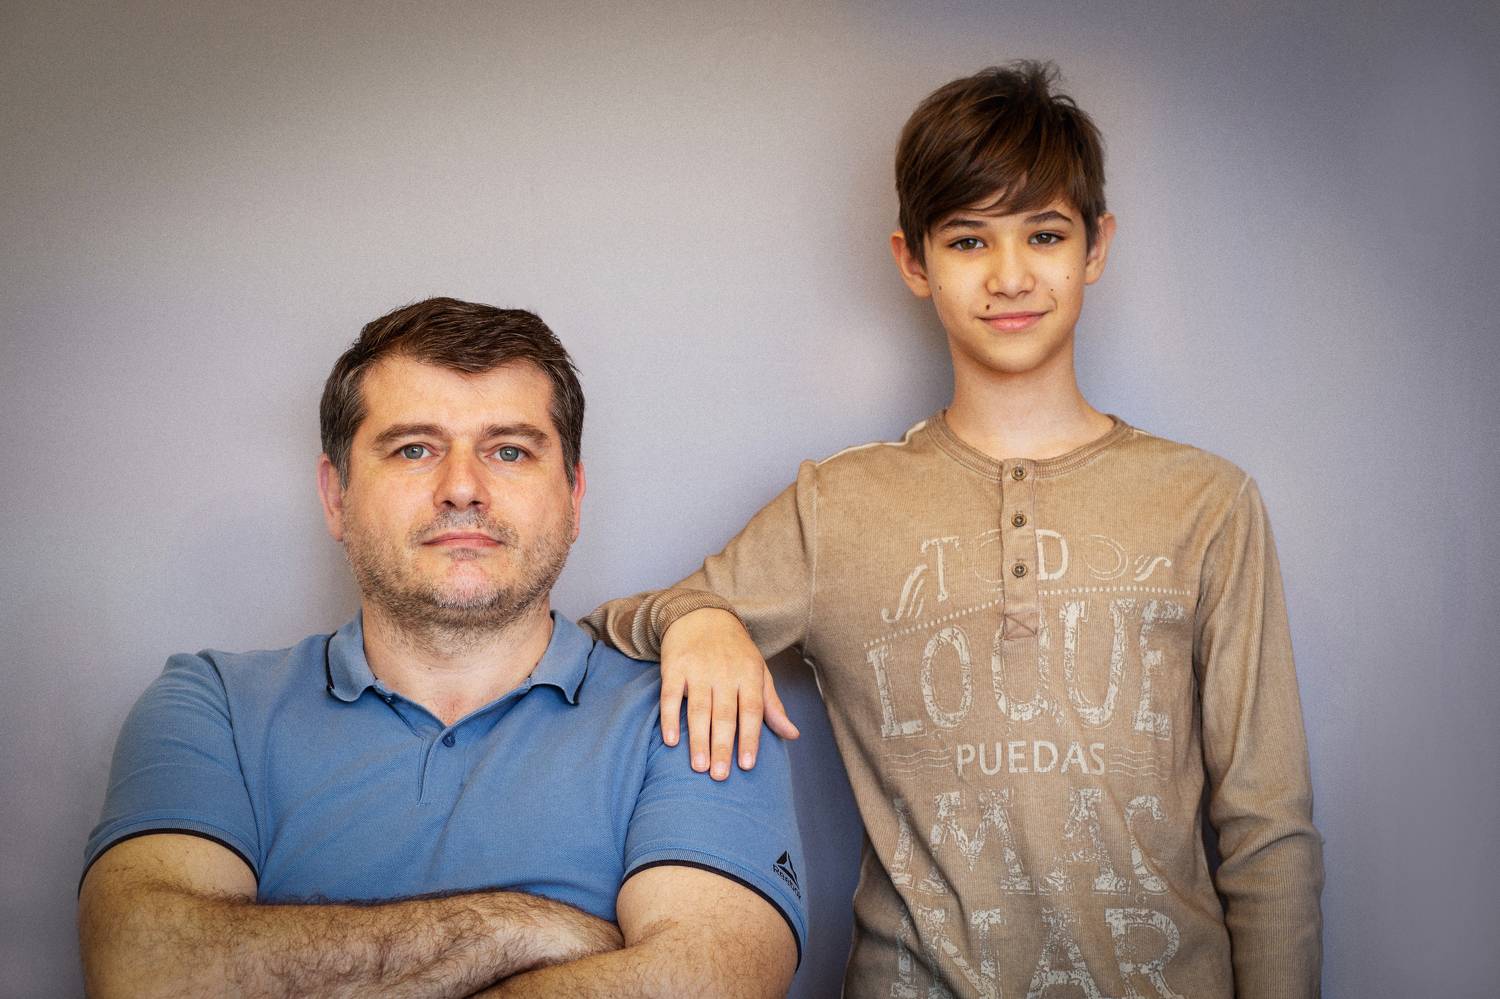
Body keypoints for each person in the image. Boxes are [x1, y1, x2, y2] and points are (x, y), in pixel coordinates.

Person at [584, 63, 1323, 997]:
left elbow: (1268, 828)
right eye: (969, 239)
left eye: (1045, 234)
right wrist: (695, 619)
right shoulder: (838, 506)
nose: (1010, 275)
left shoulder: (1208, 502)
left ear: (1096, 246)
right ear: (914, 261)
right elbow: (611, 629)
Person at [79, 297, 805, 998]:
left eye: (510, 451)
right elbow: (148, 972)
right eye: (414, 449)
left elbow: (705, 982)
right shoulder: (213, 707)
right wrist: (524, 928)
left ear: (574, 495)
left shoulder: (697, 712)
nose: (462, 488)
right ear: (335, 496)